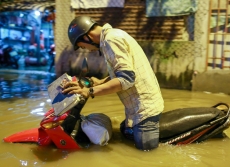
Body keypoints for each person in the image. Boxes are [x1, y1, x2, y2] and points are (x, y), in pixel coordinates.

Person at [63, 16, 164, 150]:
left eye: (83, 46)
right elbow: (123, 73)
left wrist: (89, 91)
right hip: (137, 108)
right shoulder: (112, 36)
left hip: (144, 111)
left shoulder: (111, 40)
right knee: (123, 132)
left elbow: (126, 79)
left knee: (145, 155)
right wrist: (98, 82)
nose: (88, 50)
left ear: (87, 36)